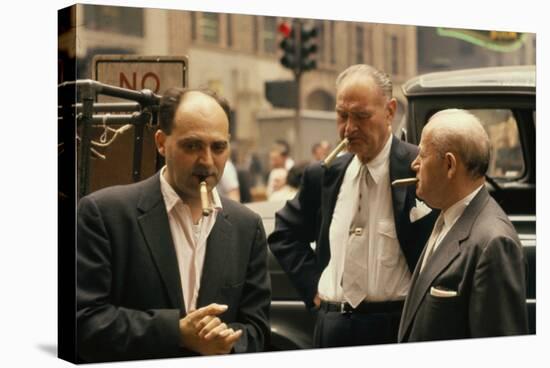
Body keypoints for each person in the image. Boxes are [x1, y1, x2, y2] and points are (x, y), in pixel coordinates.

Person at [77, 87, 271, 362]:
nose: (206, 161)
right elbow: (84, 323)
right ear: (160, 142)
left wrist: (225, 342)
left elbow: (258, 330)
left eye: (218, 147)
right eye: (191, 145)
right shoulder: (105, 214)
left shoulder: (246, 226)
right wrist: (176, 332)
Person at [268, 64, 437, 347]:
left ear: (390, 111)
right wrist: (313, 286)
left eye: (361, 116)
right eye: (342, 115)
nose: (348, 129)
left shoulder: (418, 167)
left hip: (395, 327)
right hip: (333, 325)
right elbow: (284, 233)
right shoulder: (323, 174)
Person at [398, 109, 528, 342]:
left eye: (422, 154)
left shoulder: (493, 244)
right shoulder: (447, 216)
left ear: (449, 165)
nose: (414, 164)